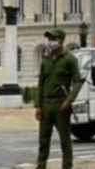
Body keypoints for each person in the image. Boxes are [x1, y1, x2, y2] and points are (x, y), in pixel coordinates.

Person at [35, 28, 83, 169]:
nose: (50, 42)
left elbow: (78, 81)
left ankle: (67, 166)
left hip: (61, 104)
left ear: (61, 40)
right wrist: (38, 105)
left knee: (65, 141)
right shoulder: (45, 60)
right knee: (43, 141)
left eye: (53, 39)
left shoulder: (69, 59)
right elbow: (41, 84)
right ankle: (41, 166)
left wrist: (69, 101)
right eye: (49, 39)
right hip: (46, 105)